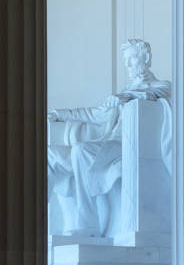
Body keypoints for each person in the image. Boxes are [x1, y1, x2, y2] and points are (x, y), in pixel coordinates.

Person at [47, 39, 171, 237]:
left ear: (145, 58)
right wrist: (59, 114)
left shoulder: (161, 86)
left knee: (80, 150)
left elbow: (159, 95)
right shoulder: (123, 92)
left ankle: (86, 221)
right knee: (51, 154)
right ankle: (38, 221)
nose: (128, 64)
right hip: (106, 143)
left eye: (132, 58)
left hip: (126, 145)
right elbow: (94, 114)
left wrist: (130, 98)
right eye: (125, 60)